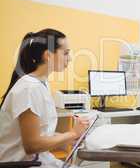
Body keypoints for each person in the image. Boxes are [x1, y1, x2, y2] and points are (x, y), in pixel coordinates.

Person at [0, 29, 89, 167]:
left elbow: (41, 134)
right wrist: (71, 134)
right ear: (48, 55)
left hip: (38, 160)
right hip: (22, 164)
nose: (70, 58)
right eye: (65, 53)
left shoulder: (41, 83)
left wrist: (67, 138)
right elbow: (32, 145)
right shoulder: (29, 88)